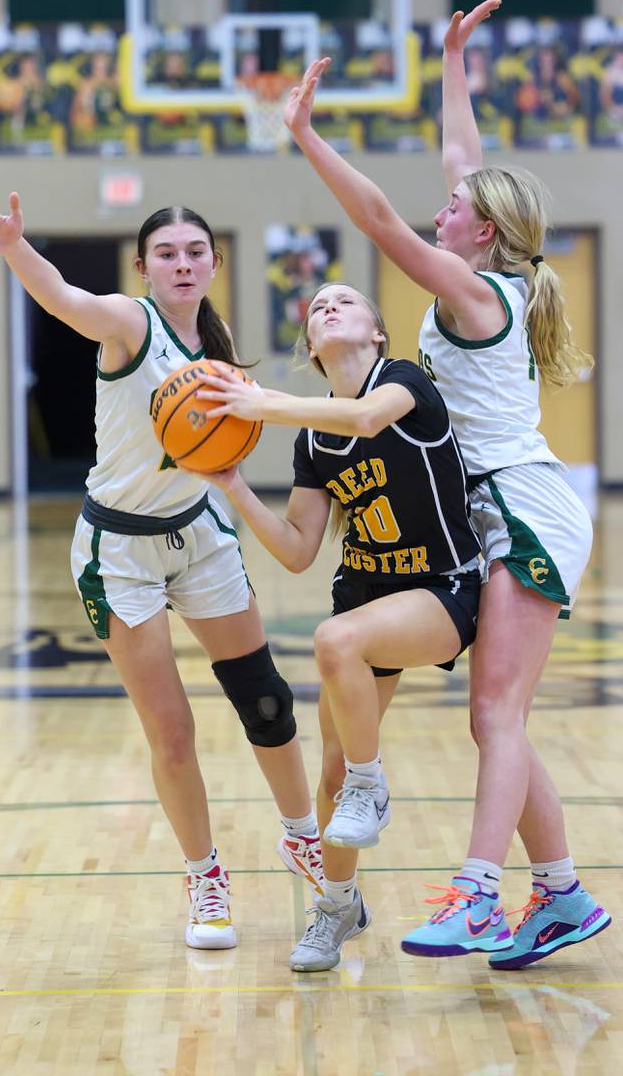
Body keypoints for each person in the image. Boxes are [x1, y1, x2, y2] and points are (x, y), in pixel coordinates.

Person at [280, 0, 611, 970]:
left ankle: (475, 897)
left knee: (492, 714)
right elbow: (459, 152)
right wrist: (454, 60)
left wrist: (306, 135)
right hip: (496, 505)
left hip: (520, 503)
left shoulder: (476, 292)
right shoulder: (486, 275)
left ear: (483, 231)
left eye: (456, 208)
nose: (443, 206)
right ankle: (558, 896)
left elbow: (378, 217)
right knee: (498, 714)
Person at [0, 187, 323, 951]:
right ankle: (205, 878)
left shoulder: (218, 357)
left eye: (196, 252)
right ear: (144, 266)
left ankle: (307, 843)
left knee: (264, 700)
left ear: (215, 264)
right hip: (118, 550)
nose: (183, 263)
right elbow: (62, 298)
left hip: (198, 535)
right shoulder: (131, 323)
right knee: (173, 731)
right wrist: (14, 247)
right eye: (167, 253)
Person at [196, 281, 482, 970]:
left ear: (376, 333)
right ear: (312, 346)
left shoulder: (403, 383)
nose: (328, 306)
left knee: (336, 641)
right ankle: (339, 902)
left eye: (346, 301)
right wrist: (232, 485)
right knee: (327, 772)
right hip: (366, 596)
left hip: (442, 590)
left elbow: (363, 420)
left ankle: (371, 783)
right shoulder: (315, 442)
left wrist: (260, 404)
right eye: (318, 306)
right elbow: (297, 549)